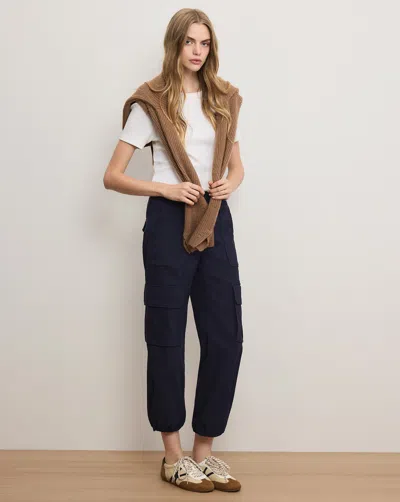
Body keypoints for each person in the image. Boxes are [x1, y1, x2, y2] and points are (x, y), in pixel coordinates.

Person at [103, 8, 244, 494]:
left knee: (225, 336)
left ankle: (203, 453)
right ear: (175, 45)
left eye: (204, 42)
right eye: (189, 42)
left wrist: (229, 183)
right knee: (165, 335)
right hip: (168, 222)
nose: (197, 51)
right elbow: (112, 175)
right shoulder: (151, 103)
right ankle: (173, 456)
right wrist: (165, 189)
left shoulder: (223, 99)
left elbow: (237, 164)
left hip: (215, 218)